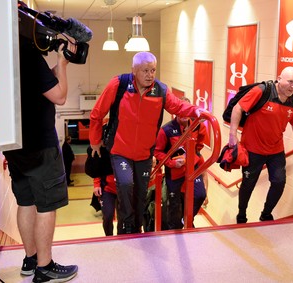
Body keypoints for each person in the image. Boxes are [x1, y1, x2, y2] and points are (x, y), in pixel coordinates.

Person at [2, 2, 78, 282]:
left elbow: (44, 88)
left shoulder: (6, 53)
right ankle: (45, 268)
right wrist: (63, 65)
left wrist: (56, 66)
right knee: (47, 205)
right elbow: (59, 96)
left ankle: (30, 259)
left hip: (16, 145)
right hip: (41, 146)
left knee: (26, 201)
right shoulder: (29, 56)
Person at [89, 51, 205, 234]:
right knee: (126, 185)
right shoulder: (118, 84)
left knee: (141, 194)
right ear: (133, 70)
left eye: (153, 70)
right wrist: (95, 141)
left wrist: (197, 111)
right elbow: (97, 113)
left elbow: (178, 106)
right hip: (120, 151)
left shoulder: (160, 90)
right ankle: (126, 226)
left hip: (144, 154)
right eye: (145, 70)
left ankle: (136, 228)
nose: (150, 75)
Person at [229, 66, 293, 223]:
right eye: (290, 82)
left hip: (276, 150)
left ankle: (266, 214)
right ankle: (241, 214)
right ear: (279, 78)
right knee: (248, 184)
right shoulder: (262, 91)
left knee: (279, 182)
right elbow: (238, 108)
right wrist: (232, 135)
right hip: (252, 149)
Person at [154, 97, 209, 229]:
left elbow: (200, 143)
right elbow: (157, 152)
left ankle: (187, 220)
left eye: (187, 111)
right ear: (175, 112)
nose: (184, 115)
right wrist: (172, 164)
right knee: (174, 206)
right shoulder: (166, 130)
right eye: (181, 111)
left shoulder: (197, 125)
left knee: (200, 195)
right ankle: (175, 231)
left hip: (192, 168)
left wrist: (193, 156)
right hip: (174, 172)